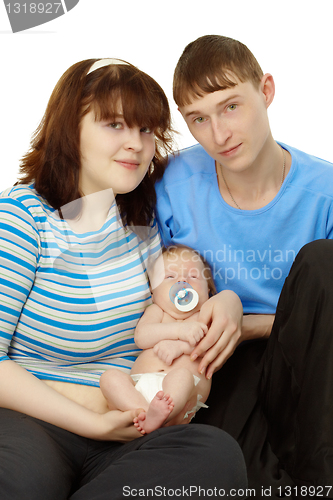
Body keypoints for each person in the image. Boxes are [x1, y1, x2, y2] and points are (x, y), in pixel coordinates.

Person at [0, 57, 248, 500]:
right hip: (37, 423)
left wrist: (226, 299)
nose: (136, 144)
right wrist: (92, 422)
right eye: (115, 125)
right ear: (68, 128)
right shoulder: (21, 220)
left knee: (216, 454)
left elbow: (176, 303)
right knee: (19, 483)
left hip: (130, 424)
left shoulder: (141, 222)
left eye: (146, 129)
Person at [155, 35, 333, 495]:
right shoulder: (172, 184)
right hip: (216, 361)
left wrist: (243, 319)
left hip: (311, 360)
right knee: (233, 475)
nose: (220, 134)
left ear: (266, 90)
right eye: (199, 118)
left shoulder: (325, 191)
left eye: (231, 106)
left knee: (323, 262)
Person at [100, 245, 215, 434]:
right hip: (139, 389)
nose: (182, 280)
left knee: (182, 376)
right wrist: (179, 330)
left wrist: (180, 347)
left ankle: (161, 416)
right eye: (170, 277)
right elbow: (142, 337)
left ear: (209, 290)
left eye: (193, 276)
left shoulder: (205, 316)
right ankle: (145, 414)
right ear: (152, 292)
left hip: (183, 393)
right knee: (109, 378)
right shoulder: (156, 311)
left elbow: (210, 345)